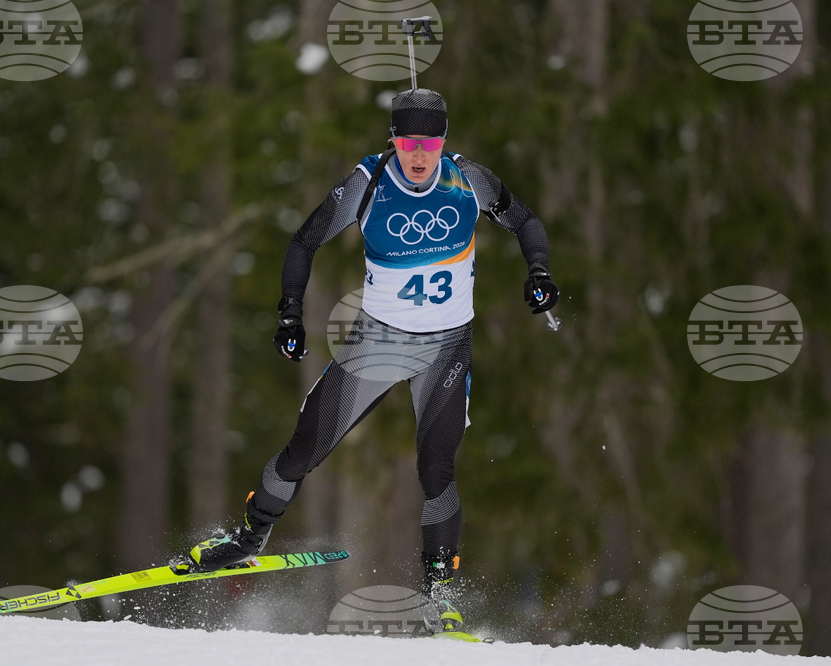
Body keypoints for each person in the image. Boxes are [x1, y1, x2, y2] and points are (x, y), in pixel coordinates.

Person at [182, 88, 558, 632]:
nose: (420, 153)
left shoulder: (469, 180)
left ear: (443, 141)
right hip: (379, 343)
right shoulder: (367, 184)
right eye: (409, 142)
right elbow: (303, 242)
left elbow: (525, 222)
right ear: (394, 141)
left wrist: (539, 272)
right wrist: (290, 313)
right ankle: (248, 537)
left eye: (429, 142)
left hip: (446, 346)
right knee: (304, 446)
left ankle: (437, 596)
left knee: (437, 469)